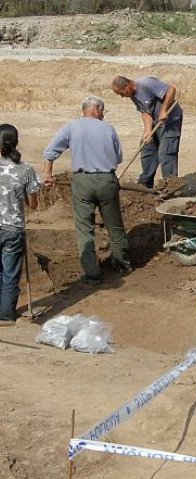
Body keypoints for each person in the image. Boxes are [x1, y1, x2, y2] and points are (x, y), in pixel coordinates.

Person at [43, 95, 131, 284]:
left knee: (84, 229)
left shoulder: (72, 126)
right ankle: (122, 263)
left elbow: (50, 152)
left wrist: (48, 175)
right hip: (107, 180)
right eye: (103, 111)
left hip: (82, 182)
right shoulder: (109, 129)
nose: (103, 115)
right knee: (114, 224)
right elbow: (118, 158)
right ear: (97, 109)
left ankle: (92, 273)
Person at [111, 75, 183, 189]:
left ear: (127, 86)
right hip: (155, 122)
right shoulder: (133, 94)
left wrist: (164, 110)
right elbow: (145, 111)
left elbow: (171, 90)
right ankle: (145, 184)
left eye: (121, 93)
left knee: (166, 153)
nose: (122, 96)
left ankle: (171, 187)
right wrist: (148, 131)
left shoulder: (146, 83)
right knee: (146, 147)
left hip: (170, 121)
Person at [0, 124, 39, 321]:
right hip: (13, 228)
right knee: (10, 274)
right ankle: (5, 315)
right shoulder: (26, 170)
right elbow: (32, 204)